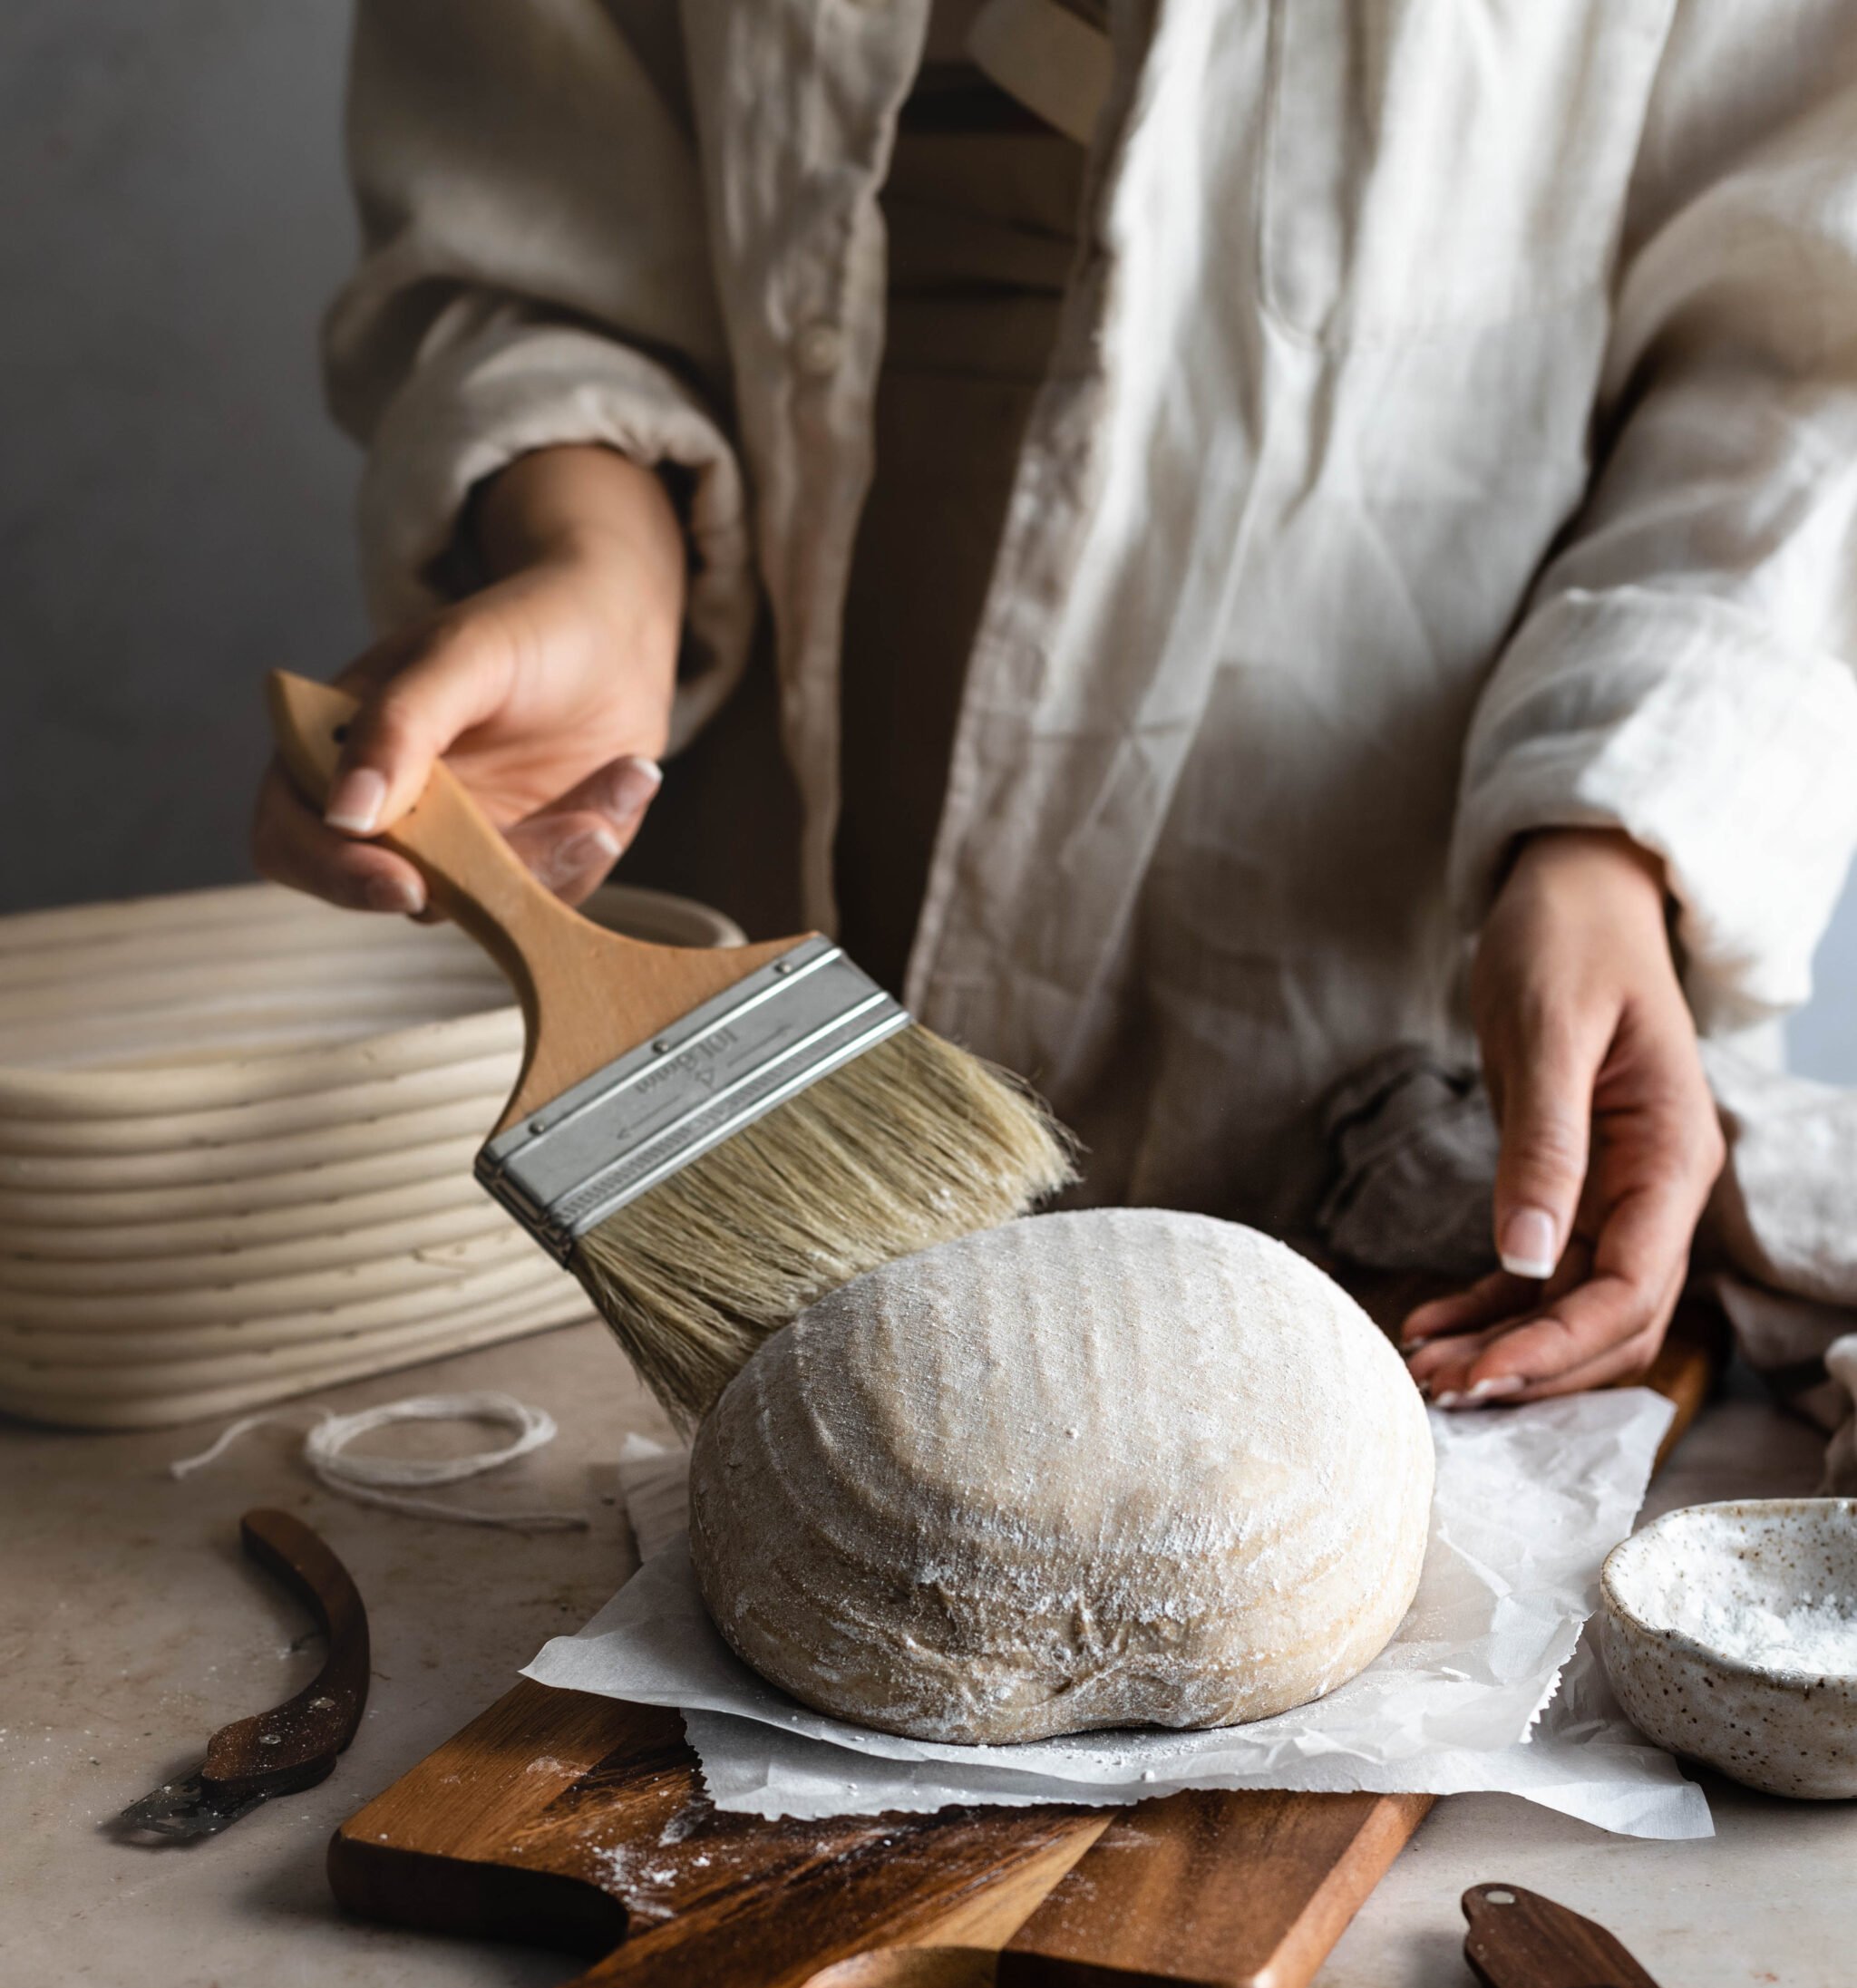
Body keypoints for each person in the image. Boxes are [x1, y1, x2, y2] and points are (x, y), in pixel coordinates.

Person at [255, 2, 1857, 1411]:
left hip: (1397, 922)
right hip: (740, 798)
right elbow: (534, 183)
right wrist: (595, 554)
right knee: (785, 1462)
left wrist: (1606, 835)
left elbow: (1800, 351)